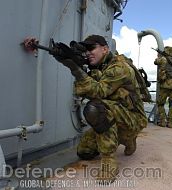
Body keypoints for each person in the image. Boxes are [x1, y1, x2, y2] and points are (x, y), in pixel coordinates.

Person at [54, 35, 147, 183]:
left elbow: (99, 91)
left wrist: (75, 69)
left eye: (91, 48)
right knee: (84, 152)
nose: (88, 53)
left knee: (96, 109)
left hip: (133, 118)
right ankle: (126, 139)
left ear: (105, 49)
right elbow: (83, 91)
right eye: (85, 50)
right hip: (114, 115)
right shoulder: (98, 68)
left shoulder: (119, 67)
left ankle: (111, 159)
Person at [154, 46, 172, 128]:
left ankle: (162, 121)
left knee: (160, 103)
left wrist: (159, 56)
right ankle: (170, 122)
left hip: (165, 84)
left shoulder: (163, 59)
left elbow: (155, 62)